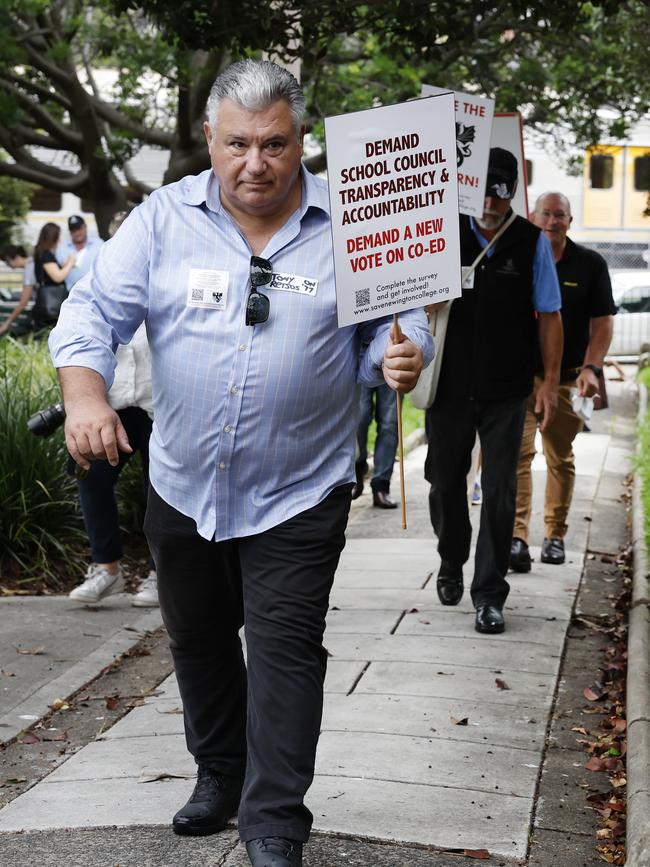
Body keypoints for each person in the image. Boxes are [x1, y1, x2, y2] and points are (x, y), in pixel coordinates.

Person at [49, 60, 432, 867]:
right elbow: (92, 308)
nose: (253, 164)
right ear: (208, 139)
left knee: (287, 645)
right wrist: (86, 397)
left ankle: (275, 820)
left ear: (301, 141)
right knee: (198, 638)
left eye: (273, 144)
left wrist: (402, 359)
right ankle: (220, 773)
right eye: (236, 144)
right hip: (183, 478)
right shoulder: (162, 218)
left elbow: (397, 326)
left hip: (302, 485)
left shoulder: (356, 223)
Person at [424, 147, 563, 636]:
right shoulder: (441, 233)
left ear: (512, 195)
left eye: (499, 195)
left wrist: (548, 381)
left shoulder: (530, 241)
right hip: (448, 384)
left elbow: (549, 313)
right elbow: (410, 302)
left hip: (507, 389)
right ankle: (450, 556)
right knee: (444, 484)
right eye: (481, 192)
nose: (488, 203)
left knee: (501, 491)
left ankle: (488, 594)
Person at [510, 192, 616, 571]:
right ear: (532, 217)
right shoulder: (516, 259)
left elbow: (603, 322)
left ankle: (554, 535)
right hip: (521, 380)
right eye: (546, 214)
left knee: (559, 457)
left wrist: (593, 367)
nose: (552, 221)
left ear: (570, 221)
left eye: (560, 215)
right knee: (519, 457)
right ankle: (518, 537)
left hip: (569, 379)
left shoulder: (590, 264)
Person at [68, 323, 158, 607]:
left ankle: (162, 573)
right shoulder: (96, 282)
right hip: (111, 401)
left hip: (161, 402)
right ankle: (107, 568)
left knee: (158, 487)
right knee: (91, 476)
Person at [352, 383, 399, 508]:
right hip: (359, 365)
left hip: (392, 366)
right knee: (360, 416)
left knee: (389, 422)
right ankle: (358, 466)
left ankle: (381, 485)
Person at [32, 223, 76, 327]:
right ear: (53, 237)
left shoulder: (41, 253)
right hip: (50, 305)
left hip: (46, 302)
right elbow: (57, 277)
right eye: (58, 236)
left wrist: (64, 265)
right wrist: (70, 262)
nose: (59, 240)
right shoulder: (46, 255)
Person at [57, 214, 104, 289]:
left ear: (85, 227)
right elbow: (63, 265)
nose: (77, 233)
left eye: (79, 229)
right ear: (70, 232)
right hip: (70, 292)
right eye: (73, 230)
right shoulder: (63, 246)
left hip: (95, 290)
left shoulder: (98, 244)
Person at [0, 245, 36, 336]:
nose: (10, 267)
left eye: (7, 262)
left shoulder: (29, 269)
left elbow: (23, 303)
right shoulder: (33, 261)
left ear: (13, 258)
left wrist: (7, 323)